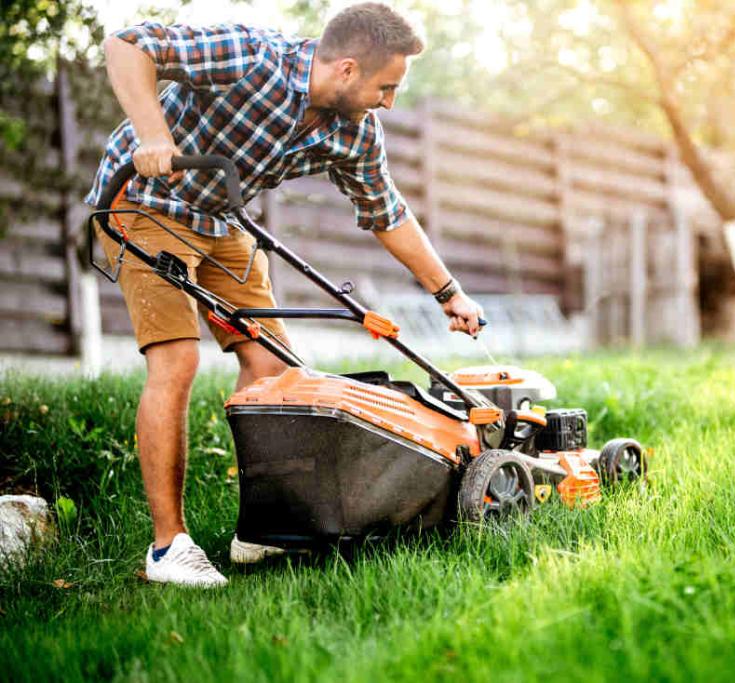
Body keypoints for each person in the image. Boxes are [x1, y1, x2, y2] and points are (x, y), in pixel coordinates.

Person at [86, 3, 484, 588]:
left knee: (273, 371)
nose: (390, 102)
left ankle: (263, 530)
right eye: (386, 87)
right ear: (347, 70)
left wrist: (448, 292)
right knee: (176, 358)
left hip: (221, 219)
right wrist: (153, 134)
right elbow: (127, 43)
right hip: (143, 201)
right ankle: (169, 548)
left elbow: (387, 213)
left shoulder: (354, 131)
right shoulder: (253, 57)